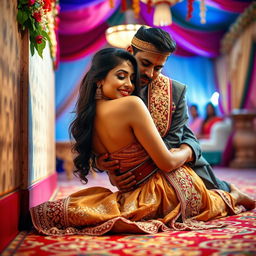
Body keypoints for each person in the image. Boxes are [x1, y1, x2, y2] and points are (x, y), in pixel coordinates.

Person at [30, 48, 255, 236]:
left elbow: (129, 166)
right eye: (121, 76)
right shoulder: (132, 105)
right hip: (164, 186)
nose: (129, 84)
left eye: (130, 77)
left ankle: (231, 195)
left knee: (96, 211)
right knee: (114, 212)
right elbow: (165, 162)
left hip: (161, 187)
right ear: (100, 78)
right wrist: (186, 151)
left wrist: (187, 149)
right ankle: (231, 195)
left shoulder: (86, 118)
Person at [96, 26, 231, 193]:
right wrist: (106, 166)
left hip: (180, 169)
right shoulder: (112, 87)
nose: (151, 74)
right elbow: (98, 137)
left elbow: (182, 138)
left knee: (221, 195)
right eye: (145, 63)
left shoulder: (175, 90)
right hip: (137, 180)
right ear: (130, 51)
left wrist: (187, 151)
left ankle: (228, 190)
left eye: (158, 68)